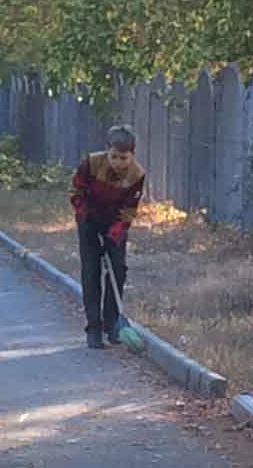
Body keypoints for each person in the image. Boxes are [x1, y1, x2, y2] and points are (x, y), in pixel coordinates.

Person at [70, 125, 145, 349]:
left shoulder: (137, 175)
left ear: (132, 154)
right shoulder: (91, 164)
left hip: (115, 223)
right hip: (88, 220)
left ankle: (112, 325)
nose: (118, 162)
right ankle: (94, 328)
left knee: (118, 270)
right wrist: (85, 215)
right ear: (106, 152)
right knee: (91, 270)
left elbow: (130, 209)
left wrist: (116, 232)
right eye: (114, 156)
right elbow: (75, 192)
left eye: (124, 158)